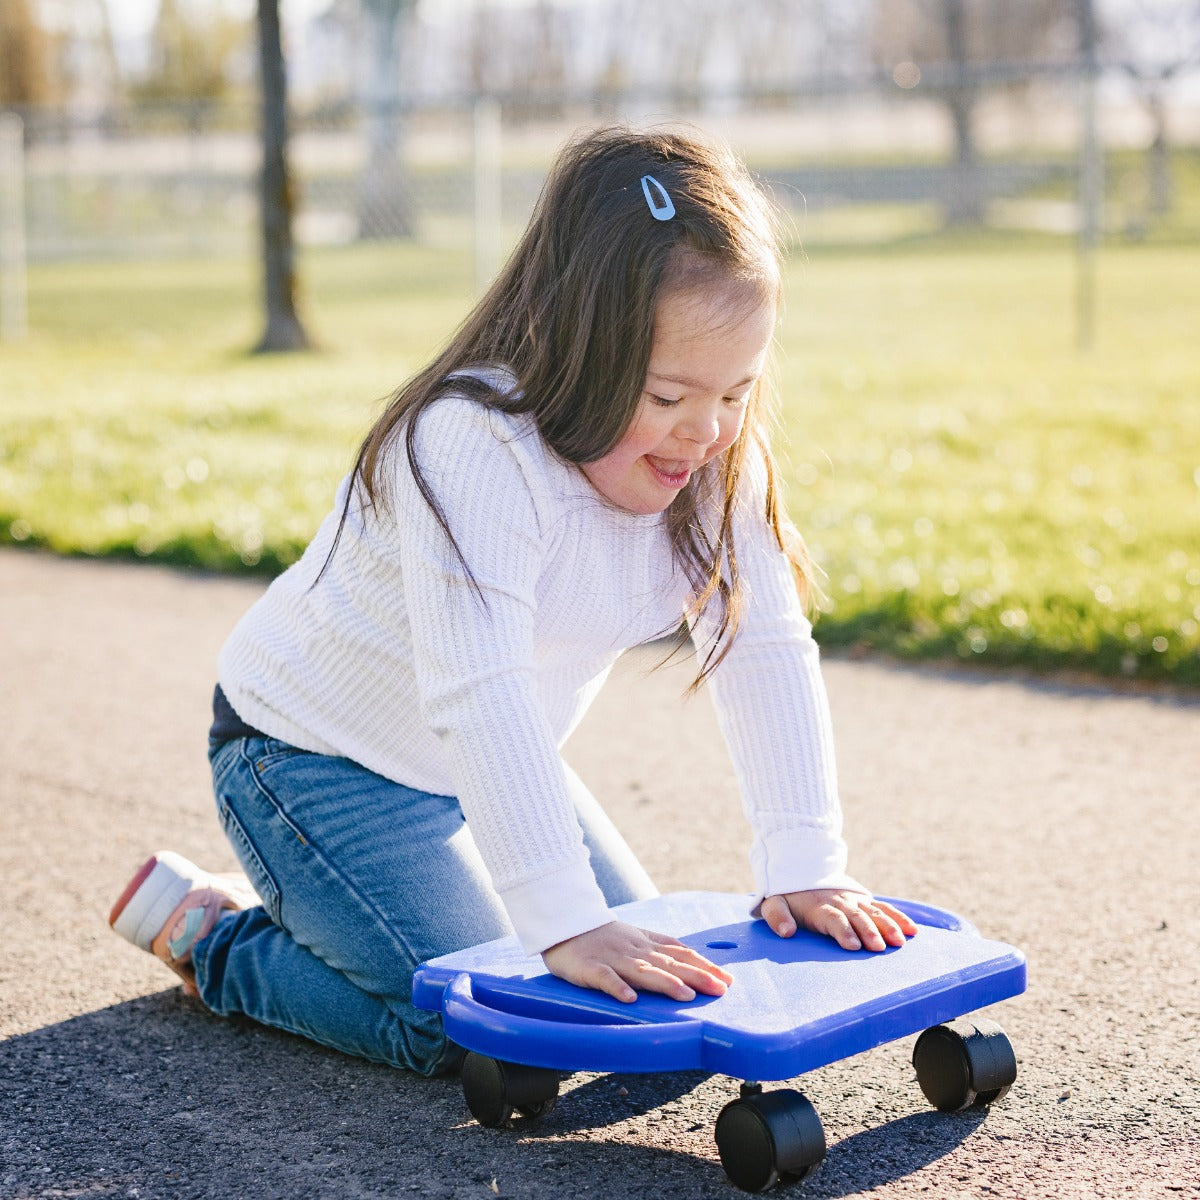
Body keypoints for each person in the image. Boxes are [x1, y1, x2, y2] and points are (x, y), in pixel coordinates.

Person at [109, 125, 917, 1077]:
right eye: (666, 396)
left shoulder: (716, 455)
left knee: (637, 1014)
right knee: (478, 1029)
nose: (706, 431)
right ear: (576, 347)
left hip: (476, 765)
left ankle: (358, 913)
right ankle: (218, 941)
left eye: (737, 392)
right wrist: (566, 922)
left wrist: (806, 865)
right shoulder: (469, 446)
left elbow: (764, 648)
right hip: (307, 760)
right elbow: (479, 691)